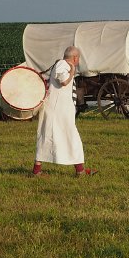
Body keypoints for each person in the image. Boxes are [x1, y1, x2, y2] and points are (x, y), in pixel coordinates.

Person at [32, 46, 96, 177]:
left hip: (60, 109)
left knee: (52, 137)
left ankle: (37, 171)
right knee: (67, 137)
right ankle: (80, 171)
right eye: (78, 58)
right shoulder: (62, 64)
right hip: (57, 110)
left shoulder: (62, 64)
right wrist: (72, 71)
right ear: (75, 58)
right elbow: (63, 82)